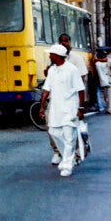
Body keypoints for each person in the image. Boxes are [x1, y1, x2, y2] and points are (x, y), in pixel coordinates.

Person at [39, 43, 84, 177]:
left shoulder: (72, 69)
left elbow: (80, 89)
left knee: (69, 137)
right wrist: (41, 106)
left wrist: (80, 108)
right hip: (56, 108)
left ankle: (68, 165)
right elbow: (46, 89)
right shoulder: (52, 70)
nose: (49, 56)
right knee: (54, 132)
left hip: (70, 108)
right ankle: (67, 157)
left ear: (57, 56)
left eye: (51, 54)